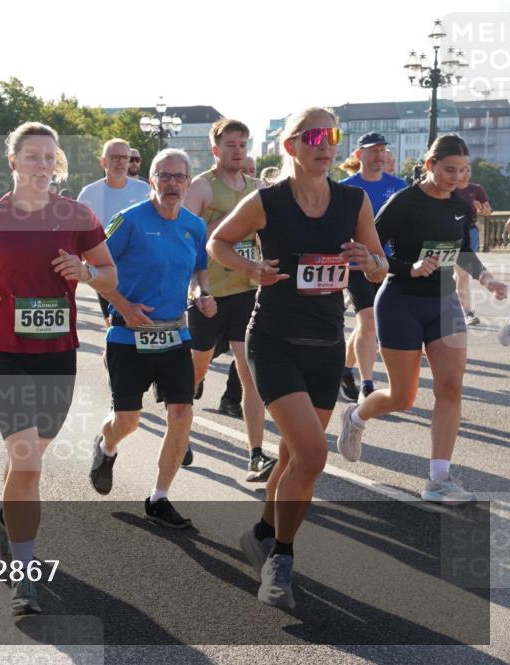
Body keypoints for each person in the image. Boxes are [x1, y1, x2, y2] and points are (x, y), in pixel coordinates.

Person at [208, 107, 386, 609]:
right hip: (274, 341)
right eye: (312, 135)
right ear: (291, 146)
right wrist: (251, 269)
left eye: (331, 135)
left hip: (327, 345)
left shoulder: (354, 201)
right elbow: (217, 242)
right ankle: (279, 561)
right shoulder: (267, 201)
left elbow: (378, 270)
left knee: (291, 456)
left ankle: (262, 532)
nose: (323, 144)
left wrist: (367, 261)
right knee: (311, 455)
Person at [0, 121, 117, 615]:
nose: (41, 164)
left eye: (49, 156)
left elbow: (108, 275)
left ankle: (3, 514)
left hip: (58, 353)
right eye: (31, 155)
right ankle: (24, 575)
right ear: (13, 162)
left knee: (29, 458)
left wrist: (86, 272)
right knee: (29, 463)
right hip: (1, 351)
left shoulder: (77, 216)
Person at [337, 134, 507, 504]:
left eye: (463, 171)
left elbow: (463, 250)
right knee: (403, 397)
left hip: (445, 302)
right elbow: (370, 251)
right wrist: (408, 267)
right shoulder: (404, 202)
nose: (456, 178)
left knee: (450, 387)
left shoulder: (462, 203)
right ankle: (357, 416)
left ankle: (438, 478)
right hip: (401, 301)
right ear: (430, 166)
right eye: (449, 170)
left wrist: (487, 278)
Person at [88, 148, 215, 526]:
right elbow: (96, 270)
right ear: (151, 181)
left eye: (179, 177)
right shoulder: (127, 221)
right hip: (128, 337)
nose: (172, 184)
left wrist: (202, 296)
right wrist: (124, 307)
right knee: (128, 422)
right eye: (165, 176)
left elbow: (199, 273)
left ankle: (159, 498)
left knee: (181, 413)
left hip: (175, 336)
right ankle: (106, 446)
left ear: (189, 182)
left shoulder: (195, 226)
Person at [183, 119, 276, 482]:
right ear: (216, 150)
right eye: (231, 145)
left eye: (243, 144)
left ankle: (255, 455)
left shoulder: (258, 189)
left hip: (247, 291)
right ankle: (181, 428)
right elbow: (184, 237)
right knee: (197, 368)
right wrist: (221, 227)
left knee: (250, 374)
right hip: (210, 293)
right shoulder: (202, 187)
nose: (238, 151)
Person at [339, 132, 408, 403]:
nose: (379, 155)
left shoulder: (399, 186)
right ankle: (367, 384)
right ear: (359, 155)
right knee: (367, 320)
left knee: (370, 324)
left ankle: (344, 368)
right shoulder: (345, 187)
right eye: (372, 151)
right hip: (356, 265)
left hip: (387, 264)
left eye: (382, 150)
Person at [77, 139, 151, 327]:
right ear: (104, 162)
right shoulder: (88, 194)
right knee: (112, 320)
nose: (120, 162)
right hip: (104, 266)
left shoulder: (144, 190)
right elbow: (78, 235)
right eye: (114, 157)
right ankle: (112, 352)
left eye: (125, 158)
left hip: (139, 267)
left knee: (140, 317)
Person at [453, 165, 492, 325]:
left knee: (462, 274)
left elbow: (488, 212)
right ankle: (465, 310)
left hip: (471, 234)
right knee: (461, 274)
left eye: (469, 170)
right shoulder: (449, 188)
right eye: (463, 169)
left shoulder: (476, 189)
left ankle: (466, 311)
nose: (466, 173)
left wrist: (481, 207)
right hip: (451, 234)